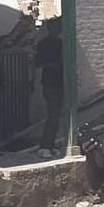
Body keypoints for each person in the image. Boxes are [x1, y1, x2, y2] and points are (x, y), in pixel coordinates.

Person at [35, 19, 64, 159]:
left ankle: (51, 145)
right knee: (53, 116)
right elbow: (38, 62)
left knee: (58, 116)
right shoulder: (44, 44)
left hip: (61, 82)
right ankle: (45, 146)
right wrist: (53, 65)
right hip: (50, 83)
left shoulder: (61, 43)